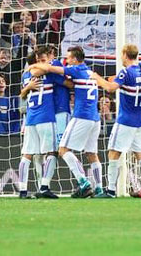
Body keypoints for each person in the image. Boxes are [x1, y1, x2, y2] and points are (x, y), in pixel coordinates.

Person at [29, 46, 103, 198]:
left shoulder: (65, 67)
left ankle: (83, 182)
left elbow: (60, 78)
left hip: (72, 114)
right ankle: (99, 189)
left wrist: (31, 66)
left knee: (61, 150)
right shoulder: (89, 72)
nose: (66, 61)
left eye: (68, 58)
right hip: (92, 117)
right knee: (90, 153)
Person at [92, 44, 141, 198]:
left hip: (125, 120)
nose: (120, 58)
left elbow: (110, 88)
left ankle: (111, 190)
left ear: (126, 55)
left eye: (121, 55)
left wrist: (97, 78)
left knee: (114, 153)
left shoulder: (126, 72)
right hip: (139, 121)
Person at [17, 49, 62, 199]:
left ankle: (22, 191)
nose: (47, 62)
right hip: (46, 117)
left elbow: (22, 94)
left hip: (30, 119)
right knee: (52, 152)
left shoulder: (25, 75)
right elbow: (66, 81)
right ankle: (44, 187)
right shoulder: (48, 73)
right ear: (38, 61)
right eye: (44, 60)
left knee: (27, 154)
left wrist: (28, 87)